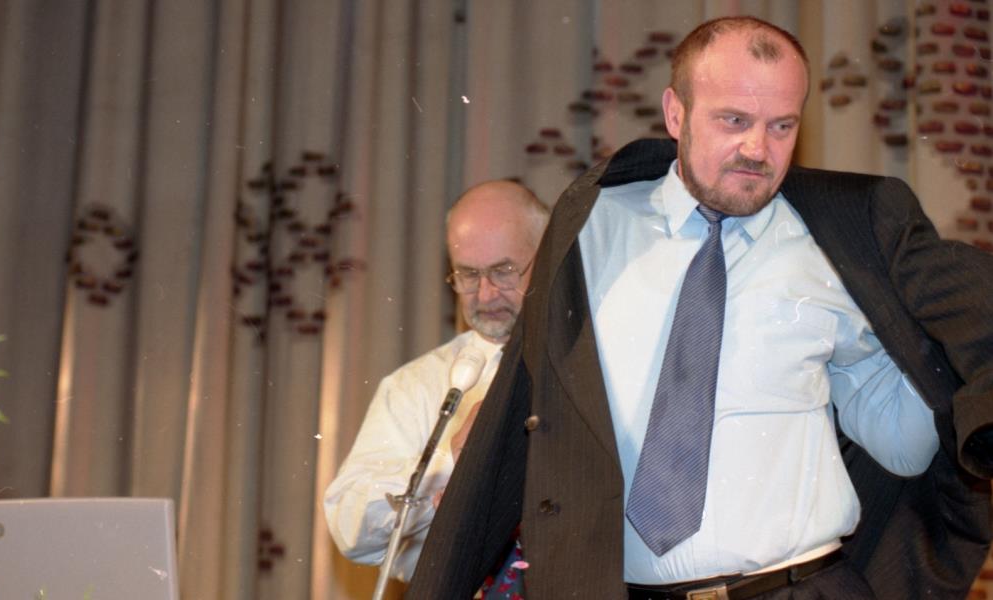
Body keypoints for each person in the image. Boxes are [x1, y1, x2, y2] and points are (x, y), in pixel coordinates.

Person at [407, 16, 993, 600]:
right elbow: (521, 416)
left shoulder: (836, 239)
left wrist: (895, 352)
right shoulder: (592, 227)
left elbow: (903, 448)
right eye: (734, 120)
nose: (757, 149)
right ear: (675, 113)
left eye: (782, 126)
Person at [323, 180, 549, 582]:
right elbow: (349, 527)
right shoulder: (415, 386)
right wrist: (451, 464)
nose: (485, 294)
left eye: (503, 271)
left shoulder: (601, 366)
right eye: (468, 275)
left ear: (546, 259)